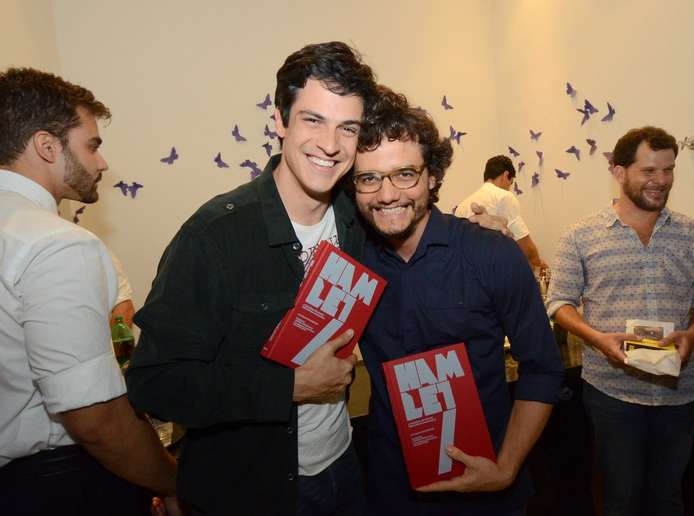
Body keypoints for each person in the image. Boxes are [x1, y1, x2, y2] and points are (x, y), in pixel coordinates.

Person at [126, 41, 377, 516]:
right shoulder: (214, 235)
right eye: (313, 120)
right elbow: (156, 383)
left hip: (343, 469)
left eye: (348, 128)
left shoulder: (355, 220)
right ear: (280, 120)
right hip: (253, 491)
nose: (330, 144)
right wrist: (287, 386)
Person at [351, 87, 564, 515]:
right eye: (369, 178)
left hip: (487, 488)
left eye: (405, 174)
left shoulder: (492, 255)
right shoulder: (351, 266)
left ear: (431, 176)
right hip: (391, 490)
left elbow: (542, 369)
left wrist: (505, 468)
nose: (387, 193)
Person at [0, 67, 177, 515]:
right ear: (46, 145)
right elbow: (94, 418)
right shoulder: (57, 243)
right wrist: (174, 481)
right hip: (57, 484)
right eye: (92, 145)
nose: (101, 163)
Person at [546, 126, 694, 516]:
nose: (660, 181)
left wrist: (693, 334)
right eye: (648, 171)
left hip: (682, 392)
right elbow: (559, 302)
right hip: (613, 393)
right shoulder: (581, 236)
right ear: (618, 170)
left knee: (668, 499)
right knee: (620, 500)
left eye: (668, 170)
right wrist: (596, 339)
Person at [454, 155, 545, 269]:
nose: (509, 188)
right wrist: (538, 263)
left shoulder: (462, 206)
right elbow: (525, 247)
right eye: (510, 183)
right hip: (492, 276)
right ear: (506, 175)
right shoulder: (504, 197)